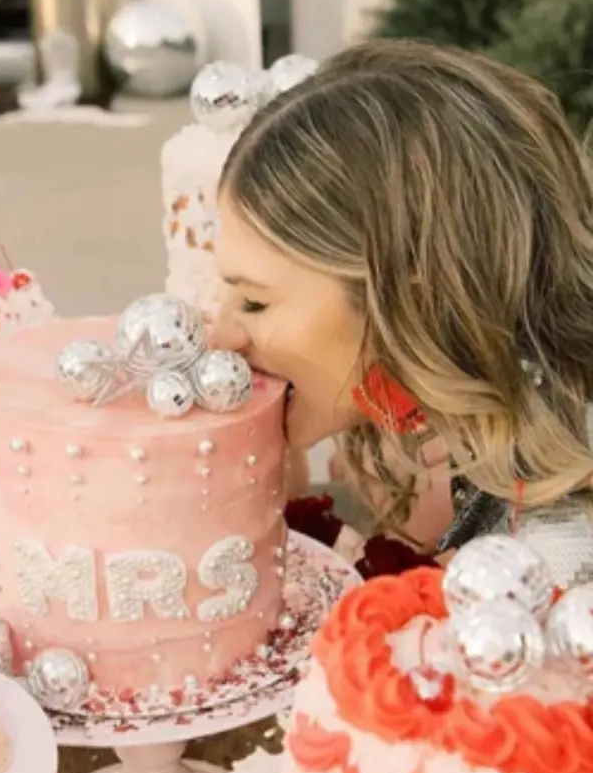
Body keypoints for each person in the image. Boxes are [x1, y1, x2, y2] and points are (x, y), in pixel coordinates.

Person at [211, 40, 593, 581]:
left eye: (254, 301)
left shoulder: (555, 548)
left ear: (411, 300)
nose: (223, 336)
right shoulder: (488, 432)